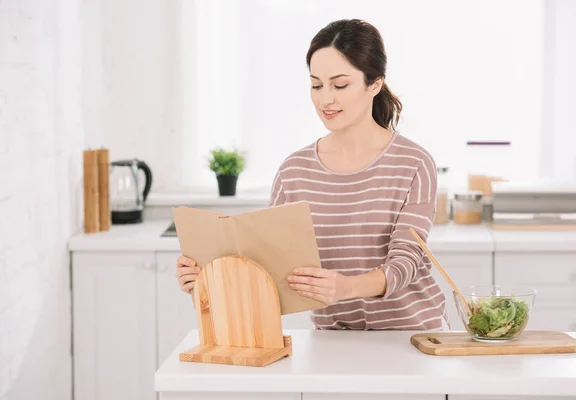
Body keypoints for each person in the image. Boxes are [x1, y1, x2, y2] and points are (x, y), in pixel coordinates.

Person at [176, 18, 449, 331]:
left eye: (340, 84)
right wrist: (209, 278)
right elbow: (270, 269)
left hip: (413, 336)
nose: (325, 99)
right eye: (316, 85)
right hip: (333, 340)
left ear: (374, 84)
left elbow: (406, 262)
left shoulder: (414, 163)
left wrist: (345, 287)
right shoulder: (294, 172)